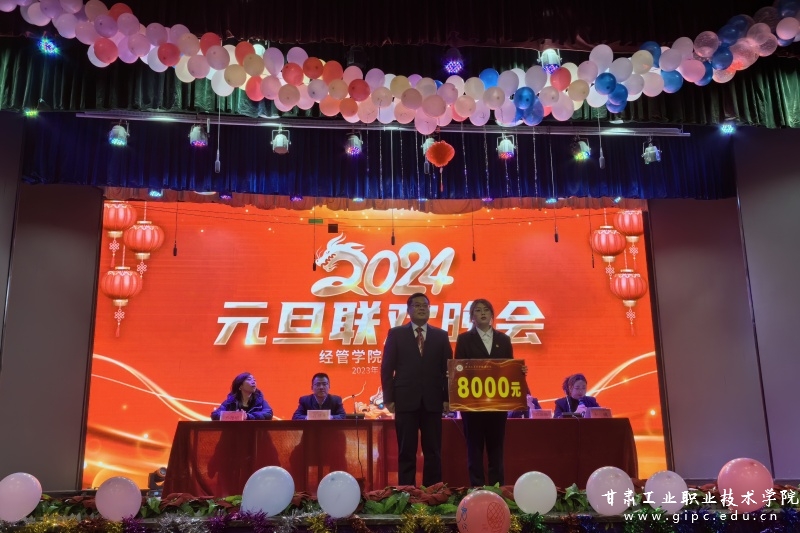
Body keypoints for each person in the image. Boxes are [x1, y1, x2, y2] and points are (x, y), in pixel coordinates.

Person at [381, 292, 452, 487]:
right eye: (417, 305)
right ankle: (407, 492)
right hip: (405, 400)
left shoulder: (440, 336)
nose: (422, 308)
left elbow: (448, 370)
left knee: (433, 451)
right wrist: (389, 398)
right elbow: (387, 368)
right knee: (406, 451)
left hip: (433, 401)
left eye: (425, 305)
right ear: (408, 310)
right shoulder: (396, 334)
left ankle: (433, 492)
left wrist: (447, 398)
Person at [454, 299, 524, 487]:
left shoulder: (504, 340)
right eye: (478, 310)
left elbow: (509, 368)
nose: (483, 313)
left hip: (497, 404)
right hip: (473, 404)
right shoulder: (464, 339)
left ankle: (497, 488)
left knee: (496, 449)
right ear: (472, 317)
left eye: (486, 310)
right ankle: (476, 487)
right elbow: (459, 368)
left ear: (492, 315)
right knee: (474, 449)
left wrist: (519, 371)